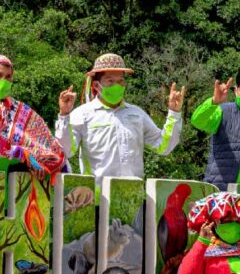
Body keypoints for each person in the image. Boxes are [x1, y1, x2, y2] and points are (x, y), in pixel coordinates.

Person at [53, 53, 184, 180]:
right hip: (96, 199)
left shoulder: (137, 114)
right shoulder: (83, 114)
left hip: (132, 199)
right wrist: (64, 115)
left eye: (120, 81)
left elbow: (164, 147)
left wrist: (174, 112)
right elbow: (66, 151)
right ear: (96, 85)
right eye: (110, 81)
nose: (117, 86)